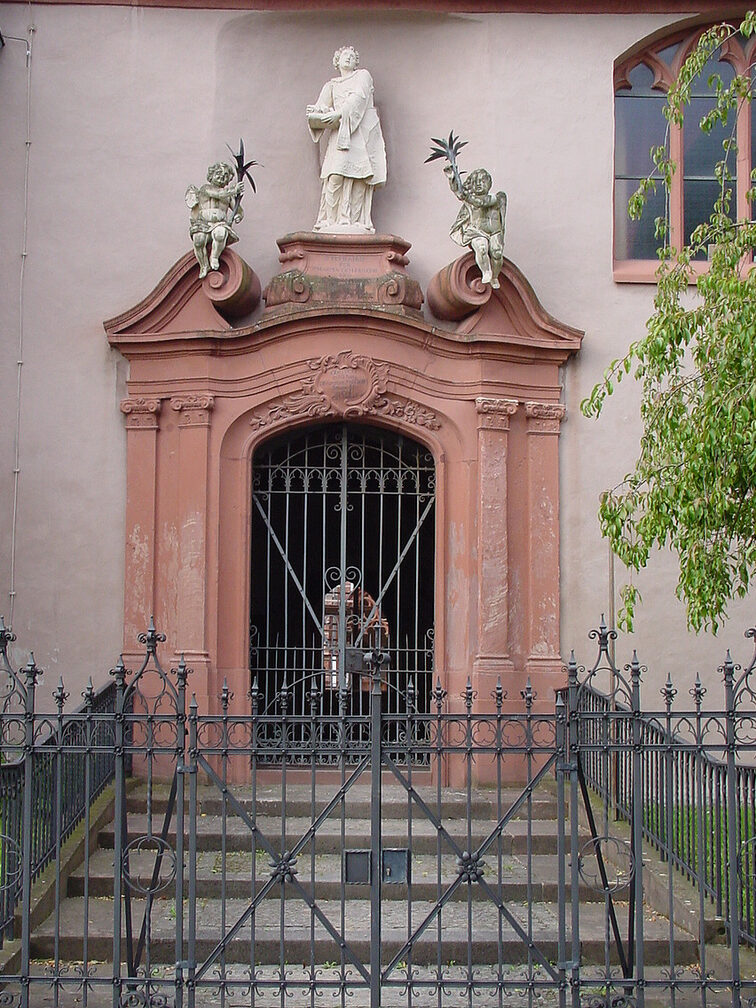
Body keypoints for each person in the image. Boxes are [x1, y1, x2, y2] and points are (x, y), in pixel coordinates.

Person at [306, 46, 387, 233]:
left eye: (352, 56)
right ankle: (331, 220)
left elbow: (358, 99)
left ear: (356, 62)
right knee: (334, 176)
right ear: (337, 61)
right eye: (344, 55)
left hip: (359, 136)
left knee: (359, 178)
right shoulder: (331, 86)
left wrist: (339, 114)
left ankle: (354, 220)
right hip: (339, 138)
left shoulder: (362, 76)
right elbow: (321, 106)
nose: (348, 58)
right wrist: (317, 112)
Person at [444, 165, 507, 288]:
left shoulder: (497, 198)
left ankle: (495, 276)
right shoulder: (470, 201)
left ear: (489, 183)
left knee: (497, 252)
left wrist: (466, 196)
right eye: (475, 181)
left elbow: (482, 203)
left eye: (482, 180)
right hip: (476, 232)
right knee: (482, 248)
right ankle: (486, 272)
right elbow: (459, 193)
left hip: (494, 232)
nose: (478, 184)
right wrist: (452, 178)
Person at [185, 163, 244, 278]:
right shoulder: (206, 189)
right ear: (211, 176)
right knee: (198, 240)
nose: (222, 177)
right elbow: (218, 194)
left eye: (225, 176)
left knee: (220, 234)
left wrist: (238, 216)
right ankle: (204, 265)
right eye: (218, 173)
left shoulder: (229, 196)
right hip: (203, 224)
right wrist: (234, 190)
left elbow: (239, 210)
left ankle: (214, 257)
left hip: (219, 224)